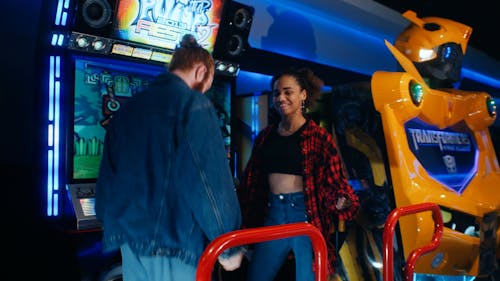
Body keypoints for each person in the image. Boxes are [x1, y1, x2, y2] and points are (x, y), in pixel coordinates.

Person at [95, 34, 244, 281]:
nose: (207, 89)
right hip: (175, 242)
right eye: (209, 81)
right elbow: (208, 181)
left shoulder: (128, 109)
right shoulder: (193, 103)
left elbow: (106, 183)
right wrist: (229, 244)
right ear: (200, 71)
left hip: (129, 241)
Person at [237, 67, 360, 281]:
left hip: (305, 216)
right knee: (256, 276)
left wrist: (342, 200)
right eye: (276, 93)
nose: (281, 98)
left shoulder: (320, 138)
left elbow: (335, 184)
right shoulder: (265, 136)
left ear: (303, 94)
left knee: (309, 277)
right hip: (273, 214)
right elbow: (251, 183)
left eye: (288, 92)